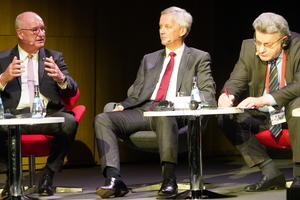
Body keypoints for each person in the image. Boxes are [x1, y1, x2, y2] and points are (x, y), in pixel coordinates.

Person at [94, 6, 216, 198]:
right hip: (144, 110)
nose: (161, 30)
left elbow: (208, 93)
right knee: (103, 118)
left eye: (167, 26)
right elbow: (136, 92)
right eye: (160, 26)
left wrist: (185, 102)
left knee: (164, 115)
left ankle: (169, 180)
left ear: (182, 31)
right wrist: (123, 105)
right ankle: (113, 179)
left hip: (174, 112)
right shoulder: (149, 59)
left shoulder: (199, 58)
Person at [218, 12, 300, 192]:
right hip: (264, 116)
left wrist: (265, 99)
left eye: (268, 44)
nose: (260, 49)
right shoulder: (248, 48)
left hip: (291, 112)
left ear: (284, 40)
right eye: (258, 42)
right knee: (227, 117)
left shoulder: (298, 46)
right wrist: (227, 95)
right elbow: (236, 80)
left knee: (297, 106)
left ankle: (299, 175)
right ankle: (270, 172)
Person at [0, 11, 78, 196]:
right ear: (20, 33)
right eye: (35, 30)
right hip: (14, 116)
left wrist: (61, 79)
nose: (41, 34)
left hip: (47, 115)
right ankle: (11, 178)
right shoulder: (3, 59)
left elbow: (72, 90)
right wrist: (3, 78)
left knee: (69, 122)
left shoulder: (54, 57)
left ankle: (47, 176)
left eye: (43, 29)